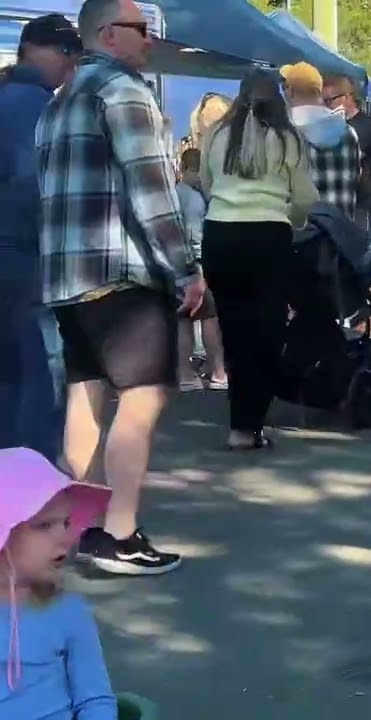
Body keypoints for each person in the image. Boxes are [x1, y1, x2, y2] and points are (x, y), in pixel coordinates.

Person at [39, 0, 205, 576]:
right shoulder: (125, 93)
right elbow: (153, 193)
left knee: (86, 397)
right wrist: (186, 268)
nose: (151, 42)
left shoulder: (56, 104)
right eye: (143, 31)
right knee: (145, 395)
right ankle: (119, 533)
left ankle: (75, 526)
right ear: (110, 35)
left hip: (66, 278)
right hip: (121, 274)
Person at [200, 67, 319, 451]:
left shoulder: (216, 135)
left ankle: (241, 423)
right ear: (279, 97)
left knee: (234, 333)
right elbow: (303, 198)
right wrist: (295, 220)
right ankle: (251, 421)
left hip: (220, 234)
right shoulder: (288, 139)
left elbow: (205, 182)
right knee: (267, 332)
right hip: (268, 235)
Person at [0, 14, 81, 461]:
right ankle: (30, 495)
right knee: (34, 383)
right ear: (38, 49)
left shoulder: (7, 96)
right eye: (66, 53)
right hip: (25, 260)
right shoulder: (39, 107)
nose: (71, 65)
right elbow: (38, 189)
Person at [0, 448, 116, 718]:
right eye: (43, 526)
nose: (65, 538)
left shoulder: (68, 612)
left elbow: (95, 700)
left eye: (65, 523)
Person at [174, 148, 228, 392]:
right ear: (191, 170)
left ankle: (186, 372)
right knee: (209, 317)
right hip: (196, 265)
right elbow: (196, 236)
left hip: (176, 263)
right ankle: (218, 370)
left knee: (183, 319)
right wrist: (201, 266)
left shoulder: (175, 194)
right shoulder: (195, 199)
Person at [281, 63, 361, 221]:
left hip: (301, 237)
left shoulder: (286, 134)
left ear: (289, 92)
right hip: (341, 236)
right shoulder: (349, 133)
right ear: (318, 91)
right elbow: (355, 179)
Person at [322, 74, 371, 227]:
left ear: (347, 97)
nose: (325, 106)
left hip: (359, 203)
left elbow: (349, 158)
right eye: (322, 101)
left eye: (329, 100)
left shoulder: (367, 126)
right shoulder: (331, 125)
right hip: (334, 200)